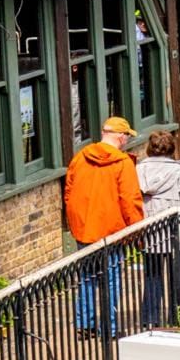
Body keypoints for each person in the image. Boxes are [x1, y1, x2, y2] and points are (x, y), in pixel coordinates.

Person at [63, 117, 142, 335]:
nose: (127, 141)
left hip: (85, 230)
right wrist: (137, 232)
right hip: (112, 231)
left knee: (87, 277)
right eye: (127, 136)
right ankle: (110, 327)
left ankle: (84, 325)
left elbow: (68, 193)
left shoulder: (80, 158)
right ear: (120, 136)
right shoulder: (122, 163)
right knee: (111, 280)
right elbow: (130, 201)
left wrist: (76, 224)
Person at [135, 129, 180, 328]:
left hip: (150, 231)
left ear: (149, 149)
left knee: (152, 275)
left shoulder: (137, 171)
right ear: (172, 149)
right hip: (175, 232)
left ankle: (150, 318)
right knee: (178, 276)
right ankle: (179, 315)